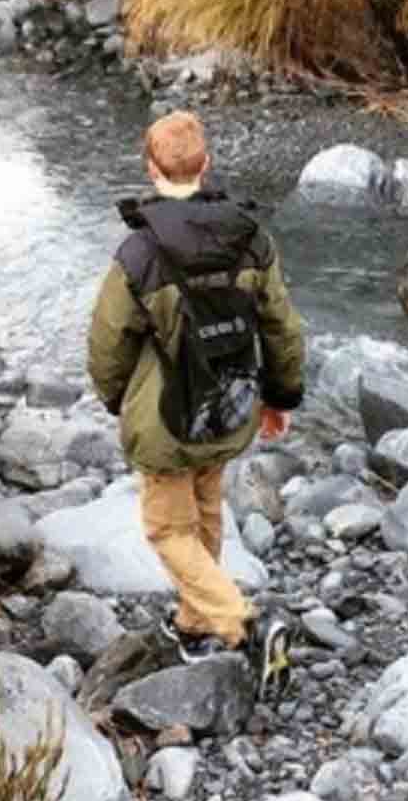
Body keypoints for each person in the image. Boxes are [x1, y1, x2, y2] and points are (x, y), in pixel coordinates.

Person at [87, 110, 306, 699]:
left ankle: (245, 624)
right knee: (206, 509)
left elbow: (108, 340)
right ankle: (193, 623)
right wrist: (279, 395)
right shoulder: (251, 239)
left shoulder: (140, 253)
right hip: (229, 405)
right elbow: (282, 326)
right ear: (205, 165)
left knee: (167, 529)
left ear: (150, 168)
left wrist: (117, 399)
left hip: (166, 414)